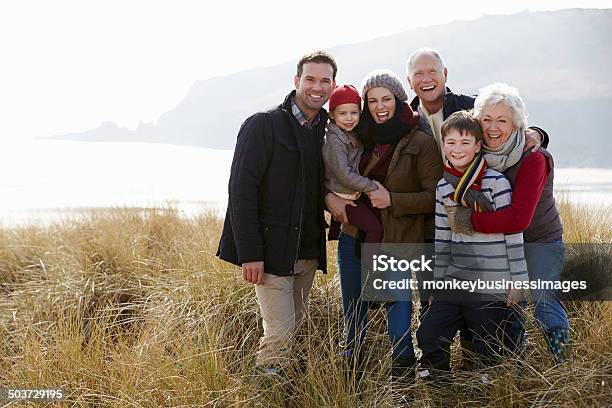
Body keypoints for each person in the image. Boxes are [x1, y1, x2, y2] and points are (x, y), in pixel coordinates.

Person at [216, 50, 337, 375]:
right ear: (297, 81)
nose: (317, 86)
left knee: (291, 333)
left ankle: (284, 390)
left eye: (325, 80)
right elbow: (240, 193)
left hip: (308, 255)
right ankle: (266, 393)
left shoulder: (328, 131)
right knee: (279, 338)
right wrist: (250, 253)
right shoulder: (263, 126)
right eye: (310, 79)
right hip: (271, 257)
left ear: (332, 85)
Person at [325, 69, 443, 385]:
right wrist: (328, 198)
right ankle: (352, 373)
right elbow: (332, 172)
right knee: (353, 308)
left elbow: (434, 198)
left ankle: (403, 374)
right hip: (354, 235)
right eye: (372, 100)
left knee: (398, 308)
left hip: (399, 240)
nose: (379, 106)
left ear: (398, 99)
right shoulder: (358, 133)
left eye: (386, 99)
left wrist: (392, 200)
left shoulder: (420, 140)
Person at [447, 83, 570, 365]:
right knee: (510, 307)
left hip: (540, 241)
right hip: (500, 244)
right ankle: (512, 369)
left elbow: (518, 218)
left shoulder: (534, 158)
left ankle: (564, 365)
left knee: (544, 302)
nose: (493, 127)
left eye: (502, 120)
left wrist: (467, 221)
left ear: (517, 124)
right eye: (487, 119)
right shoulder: (476, 158)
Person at [417, 111, 528, 383]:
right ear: (443, 146)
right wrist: (437, 283)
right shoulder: (443, 187)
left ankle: (486, 389)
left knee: (486, 340)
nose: (457, 149)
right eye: (451, 142)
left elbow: (512, 231)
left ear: (478, 146)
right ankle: (439, 384)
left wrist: (518, 279)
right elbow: (443, 238)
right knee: (429, 333)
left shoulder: (496, 183)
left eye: (465, 142)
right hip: (456, 277)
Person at [322, 84, 382, 245]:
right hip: (343, 195)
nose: (349, 118)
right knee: (374, 228)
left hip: (352, 193)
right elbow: (343, 174)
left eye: (354, 113)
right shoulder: (334, 140)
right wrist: (371, 186)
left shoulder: (350, 134)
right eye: (343, 113)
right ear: (332, 115)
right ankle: (371, 269)